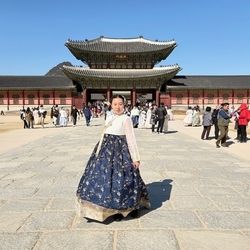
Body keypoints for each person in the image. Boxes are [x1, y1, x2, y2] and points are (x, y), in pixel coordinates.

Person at [76, 95, 150, 222]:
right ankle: (108, 208)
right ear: (111, 105)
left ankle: (128, 207)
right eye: (115, 104)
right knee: (103, 178)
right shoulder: (109, 117)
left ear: (124, 105)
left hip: (121, 152)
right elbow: (103, 135)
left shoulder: (126, 119)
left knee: (124, 179)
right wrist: (97, 152)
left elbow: (131, 138)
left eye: (120, 104)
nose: (117, 106)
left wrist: (135, 158)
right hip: (105, 151)